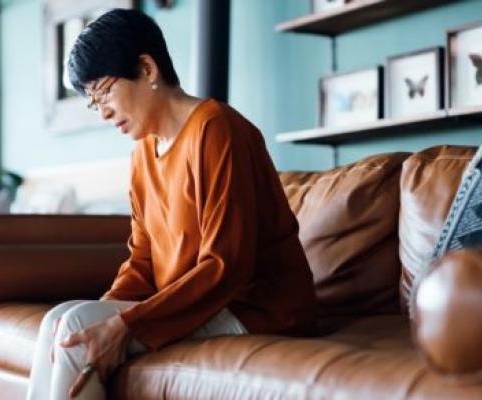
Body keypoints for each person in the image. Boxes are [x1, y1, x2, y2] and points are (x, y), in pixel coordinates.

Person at [26, 8, 316, 400]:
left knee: (77, 327)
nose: (104, 112)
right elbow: (143, 259)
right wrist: (108, 314)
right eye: (94, 103)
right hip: (200, 305)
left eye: (105, 92)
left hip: (258, 309)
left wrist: (124, 326)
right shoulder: (143, 153)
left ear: (147, 68)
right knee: (61, 323)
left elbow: (226, 266)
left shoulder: (217, 129)